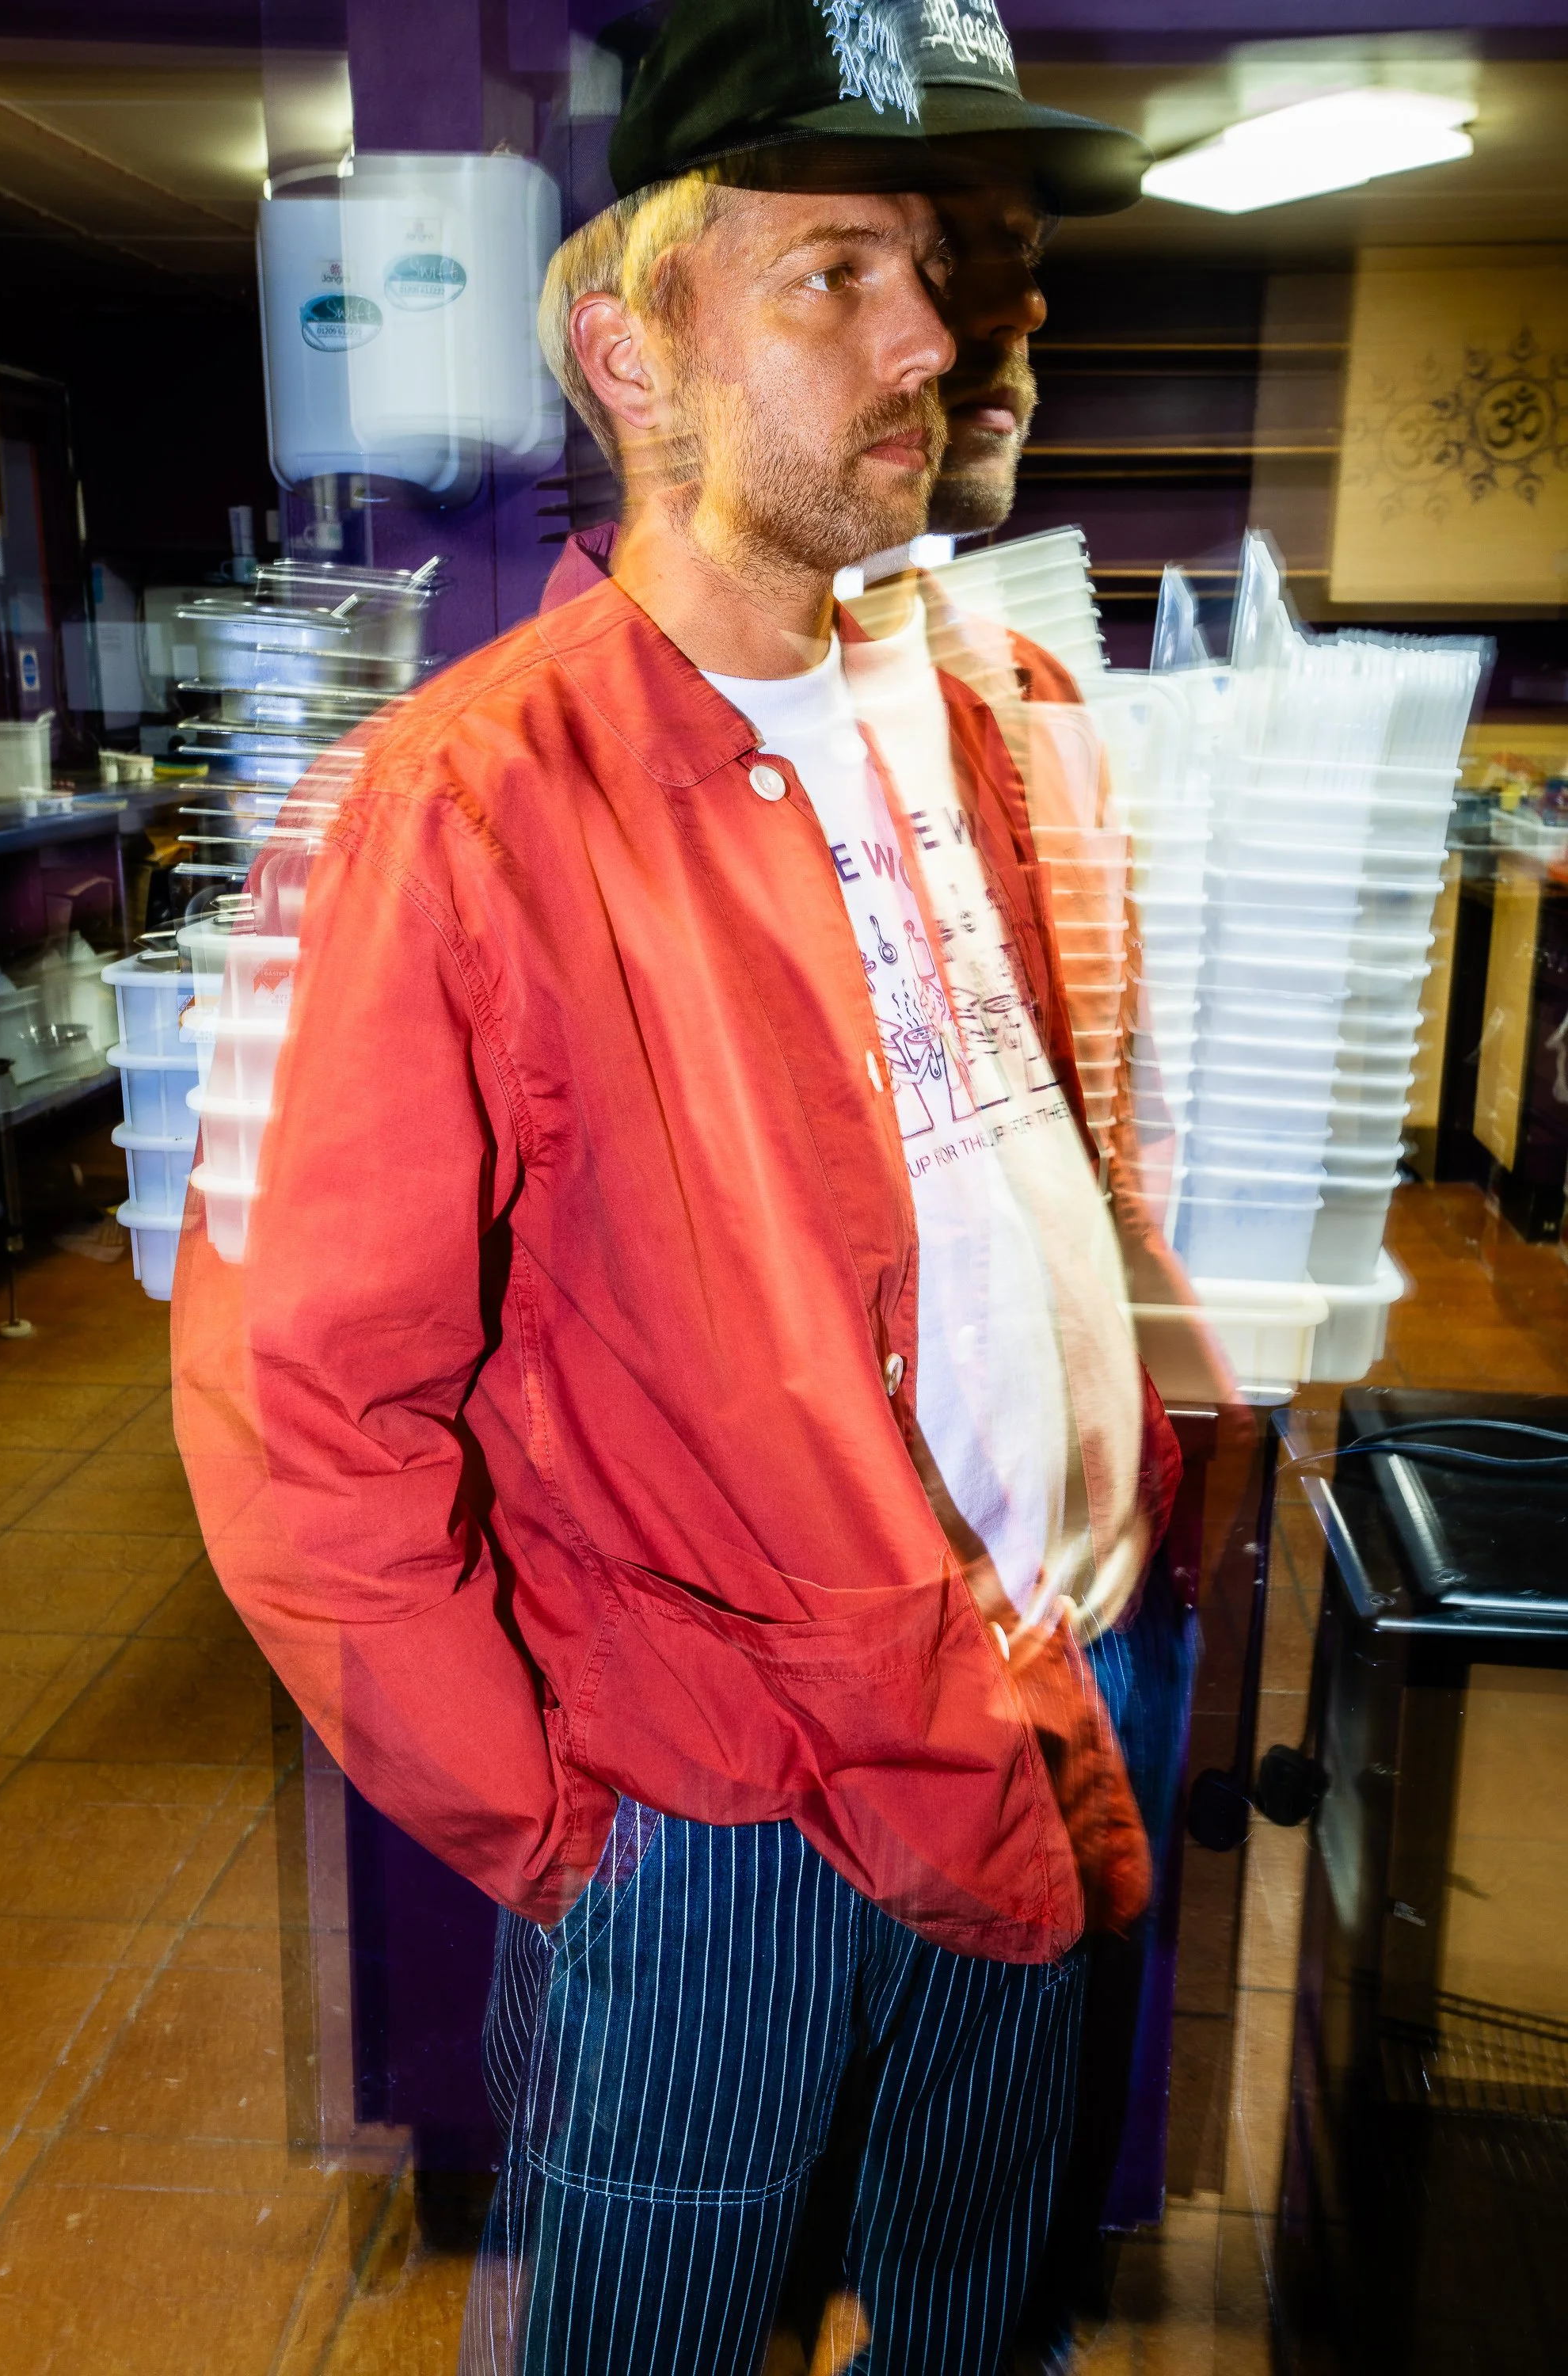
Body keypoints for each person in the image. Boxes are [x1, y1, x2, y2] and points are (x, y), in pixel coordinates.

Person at [173, 6, 1178, 2371]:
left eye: (933, 267)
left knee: (968, 2321)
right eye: (835, 272)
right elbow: (305, 1422)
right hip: (714, 1822)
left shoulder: (1000, 713)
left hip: (1030, 1707)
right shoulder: (459, 811)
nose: (930, 333)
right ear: (630, 345)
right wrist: (566, 1833)